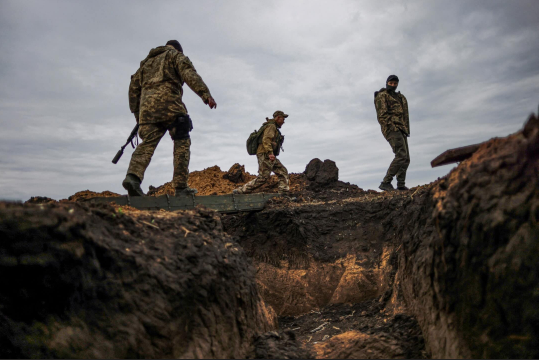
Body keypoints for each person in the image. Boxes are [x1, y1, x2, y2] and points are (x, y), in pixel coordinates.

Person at [122, 40, 217, 196]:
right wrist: (205, 94)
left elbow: (133, 90)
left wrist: (138, 116)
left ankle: (132, 178)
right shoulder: (175, 56)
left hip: (147, 111)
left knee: (147, 144)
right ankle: (181, 187)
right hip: (170, 106)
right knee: (182, 141)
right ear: (179, 50)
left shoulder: (145, 65)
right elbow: (189, 73)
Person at [233, 111, 290, 195]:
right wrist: (270, 153)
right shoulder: (271, 126)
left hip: (267, 154)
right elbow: (266, 140)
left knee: (282, 171)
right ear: (278, 118)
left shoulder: (272, 126)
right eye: (283, 119)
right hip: (265, 154)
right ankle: (241, 191)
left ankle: (283, 193)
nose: (284, 121)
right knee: (263, 177)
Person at [374, 75, 410, 191]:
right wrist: (391, 127)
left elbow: (406, 115)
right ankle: (386, 182)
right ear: (387, 83)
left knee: (406, 158)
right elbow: (382, 115)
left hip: (402, 129)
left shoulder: (401, 97)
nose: (393, 85)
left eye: (395, 83)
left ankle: (401, 185)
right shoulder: (382, 96)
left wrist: (406, 130)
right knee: (401, 155)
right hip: (391, 128)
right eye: (391, 83)